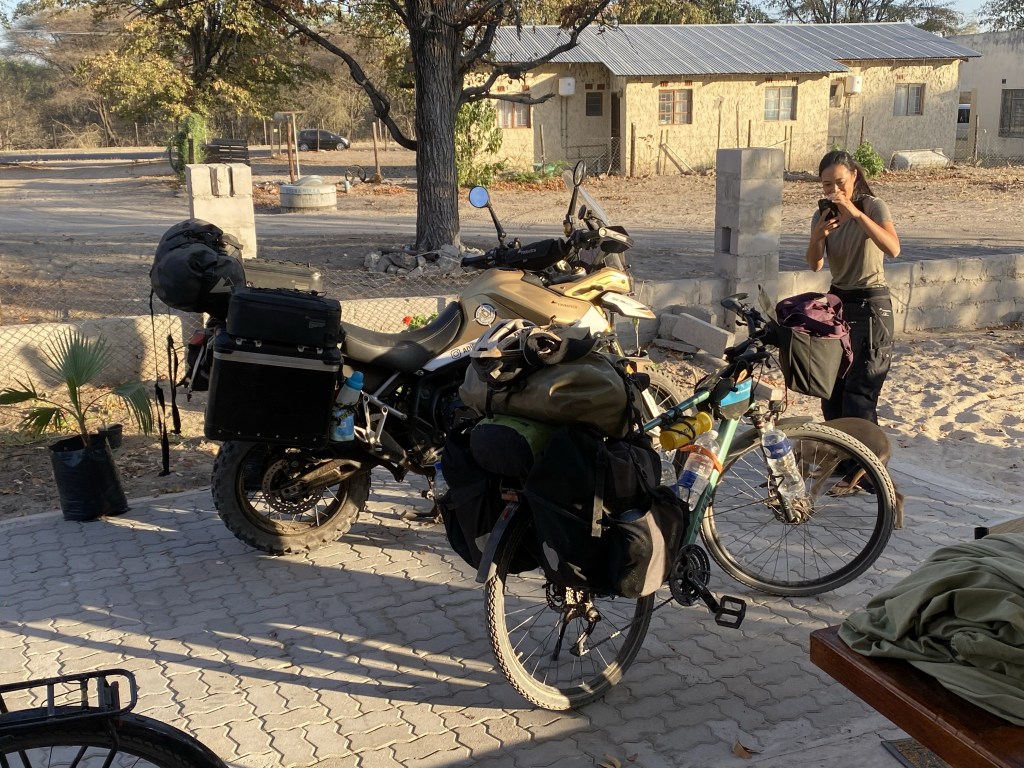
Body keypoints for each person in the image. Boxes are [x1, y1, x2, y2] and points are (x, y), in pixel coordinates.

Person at [805, 150, 901, 424]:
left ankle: (865, 465)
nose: (834, 189)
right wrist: (817, 236)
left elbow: (893, 248)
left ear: (854, 176)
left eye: (840, 182)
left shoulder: (872, 206)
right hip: (837, 303)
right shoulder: (822, 214)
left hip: (870, 305)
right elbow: (815, 265)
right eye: (827, 184)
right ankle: (839, 463)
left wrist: (856, 215)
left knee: (858, 398)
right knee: (832, 394)